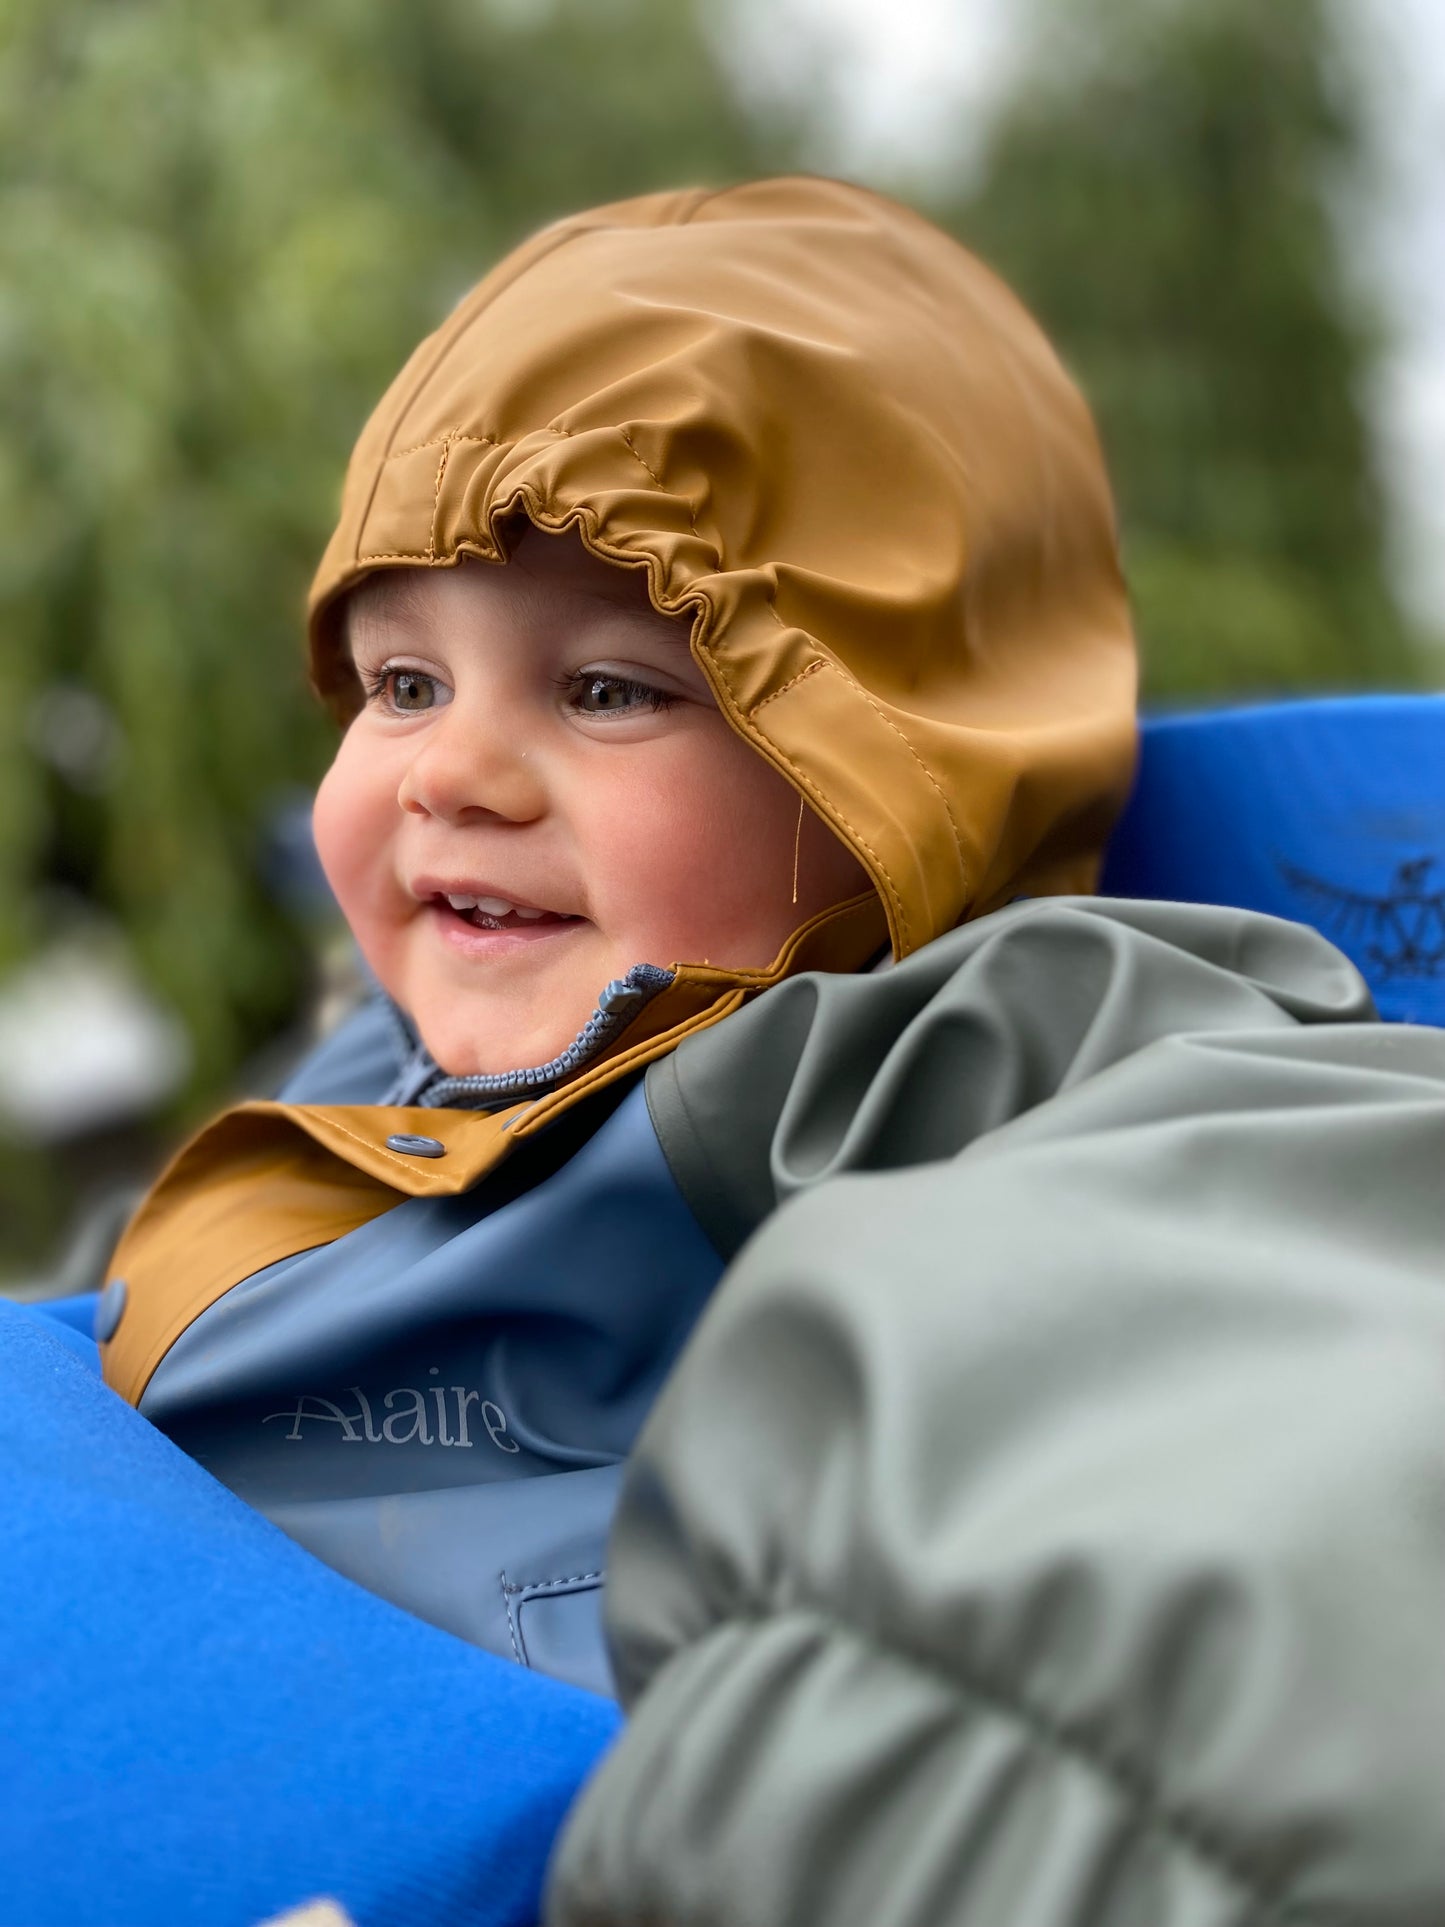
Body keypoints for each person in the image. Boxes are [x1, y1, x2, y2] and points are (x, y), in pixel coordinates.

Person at [80, 179, 1442, 1921]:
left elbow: (1307, 1239)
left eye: (607, 690)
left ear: (889, 778)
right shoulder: (373, 1065)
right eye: (402, 684)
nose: (449, 775)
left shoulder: (921, 1047)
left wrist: (916, 1790)